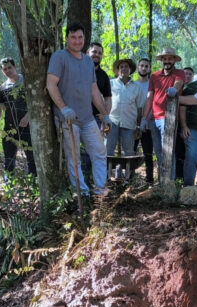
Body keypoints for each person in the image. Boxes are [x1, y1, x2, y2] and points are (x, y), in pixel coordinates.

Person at [47, 22, 112, 196]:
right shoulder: (59, 57)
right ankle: (81, 193)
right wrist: (63, 108)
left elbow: (94, 91)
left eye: (80, 37)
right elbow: (51, 84)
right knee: (74, 157)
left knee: (99, 152)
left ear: (84, 38)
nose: (77, 41)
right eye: (73, 37)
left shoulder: (88, 62)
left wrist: (105, 115)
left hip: (88, 117)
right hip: (68, 118)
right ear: (67, 38)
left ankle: (99, 190)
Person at [141, 47, 186, 179]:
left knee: (168, 152)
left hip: (168, 118)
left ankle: (169, 184)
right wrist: (144, 118)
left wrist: (174, 89)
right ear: (161, 60)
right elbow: (150, 97)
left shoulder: (179, 73)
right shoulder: (154, 76)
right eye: (164, 58)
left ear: (174, 60)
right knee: (159, 152)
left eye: (170, 58)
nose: (167, 61)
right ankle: (162, 181)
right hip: (154, 119)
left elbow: (179, 83)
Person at [0, 57, 36, 176]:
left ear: (15, 67)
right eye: (5, 69)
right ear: (2, 71)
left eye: (10, 67)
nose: (8, 71)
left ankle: (33, 182)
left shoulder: (26, 81)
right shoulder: (2, 88)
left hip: (28, 126)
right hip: (10, 126)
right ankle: (9, 183)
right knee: (9, 157)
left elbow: (35, 101)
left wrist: (27, 117)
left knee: (31, 157)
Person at [107, 58, 145, 156]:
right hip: (112, 121)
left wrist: (138, 126)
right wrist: (104, 119)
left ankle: (128, 171)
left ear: (130, 70)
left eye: (126, 67)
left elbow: (139, 108)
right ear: (118, 70)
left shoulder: (136, 87)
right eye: (121, 67)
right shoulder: (111, 84)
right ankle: (106, 171)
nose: (124, 69)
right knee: (107, 150)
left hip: (129, 123)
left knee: (129, 152)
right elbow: (105, 102)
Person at [134, 58, 155, 183]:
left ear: (149, 68)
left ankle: (150, 180)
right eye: (141, 65)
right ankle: (130, 178)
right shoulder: (133, 84)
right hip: (134, 124)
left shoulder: (152, 84)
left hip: (149, 124)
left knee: (148, 153)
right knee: (131, 152)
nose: (144, 68)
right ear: (137, 68)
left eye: (146, 66)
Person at [88, 42, 112, 124]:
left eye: (100, 53)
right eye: (94, 52)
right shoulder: (78, 69)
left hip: (96, 119)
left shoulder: (104, 76)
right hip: (77, 117)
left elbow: (108, 98)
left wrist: (105, 115)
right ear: (88, 52)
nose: (97, 55)